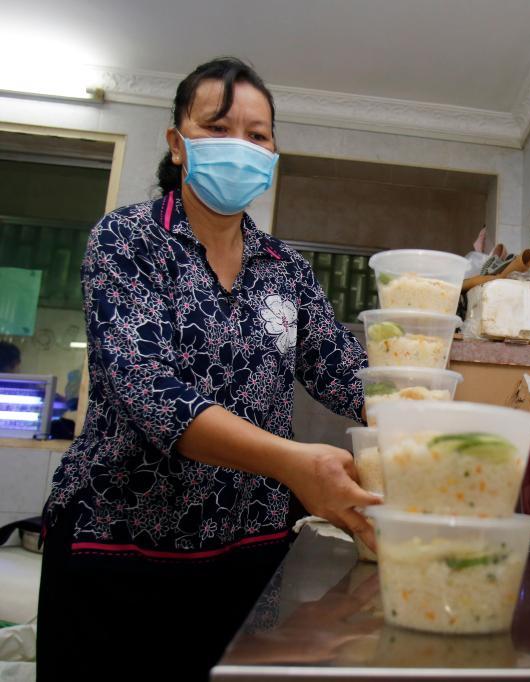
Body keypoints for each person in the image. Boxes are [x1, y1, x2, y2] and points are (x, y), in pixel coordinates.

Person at [36, 57, 377, 682]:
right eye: (217, 128)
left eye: (257, 135)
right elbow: (149, 390)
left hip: (247, 554)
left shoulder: (286, 268)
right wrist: (297, 464)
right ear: (177, 143)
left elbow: (342, 369)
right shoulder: (127, 241)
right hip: (118, 548)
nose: (239, 148)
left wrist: (414, 411)